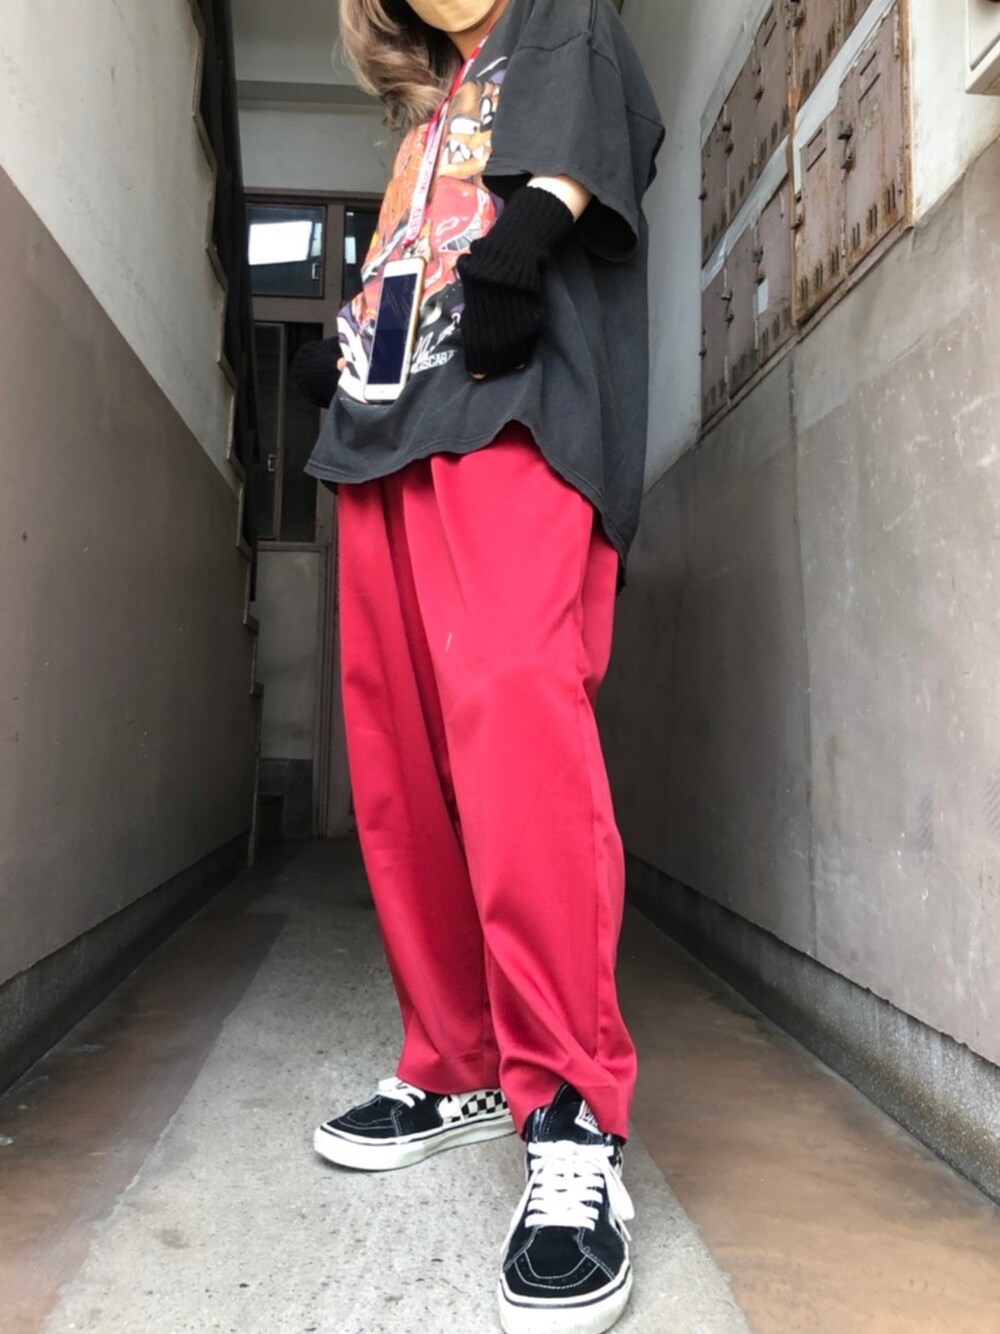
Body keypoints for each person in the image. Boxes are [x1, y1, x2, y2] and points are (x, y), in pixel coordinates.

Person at [296, 1, 663, 1329]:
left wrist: (533, 233)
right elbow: (420, 256)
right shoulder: (430, 116)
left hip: (515, 411)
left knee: (515, 719)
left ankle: (568, 1111)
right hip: (385, 438)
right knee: (399, 763)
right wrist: (352, 340)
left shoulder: (558, 18)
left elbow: (590, 149)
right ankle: (454, 1058)